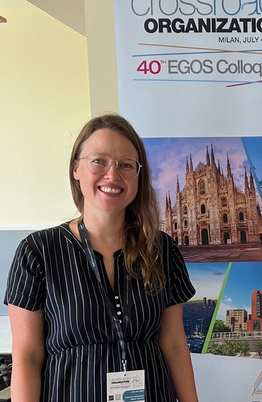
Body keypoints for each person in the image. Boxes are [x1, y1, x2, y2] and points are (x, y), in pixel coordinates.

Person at [4, 114, 199, 401]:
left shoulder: (162, 250)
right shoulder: (37, 251)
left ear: (138, 175)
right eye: (99, 161)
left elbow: (173, 345)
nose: (112, 175)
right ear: (76, 169)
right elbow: (28, 357)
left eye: (125, 165)